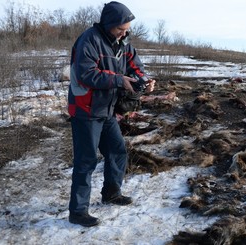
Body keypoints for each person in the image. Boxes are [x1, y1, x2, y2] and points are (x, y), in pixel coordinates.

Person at [67, 1, 156, 227]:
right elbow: (87, 74)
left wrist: (144, 81)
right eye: (121, 29)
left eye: (126, 29)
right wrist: (119, 80)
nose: (125, 33)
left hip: (106, 110)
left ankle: (111, 193)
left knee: (117, 150)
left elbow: (135, 66)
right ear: (109, 24)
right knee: (86, 161)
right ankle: (78, 212)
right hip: (86, 110)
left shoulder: (123, 42)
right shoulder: (89, 40)